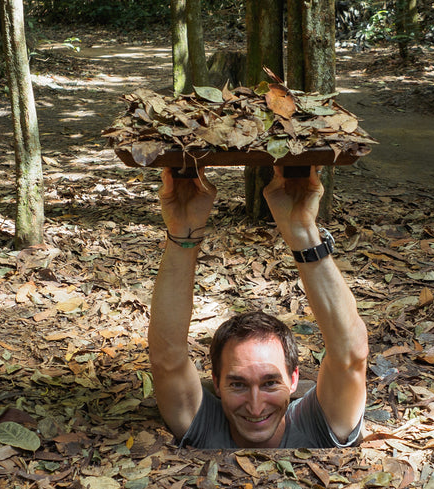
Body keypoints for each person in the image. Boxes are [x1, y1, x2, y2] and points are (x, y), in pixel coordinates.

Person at [148, 165, 369, 449]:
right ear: (216, 383)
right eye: (238, 384)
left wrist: (303, 231)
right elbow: (166, 358)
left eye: (270, 383)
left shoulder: (317, 424)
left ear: (293, 380)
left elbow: (350, 356)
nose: (255, 407)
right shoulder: (204, 424)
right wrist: (183, 233)